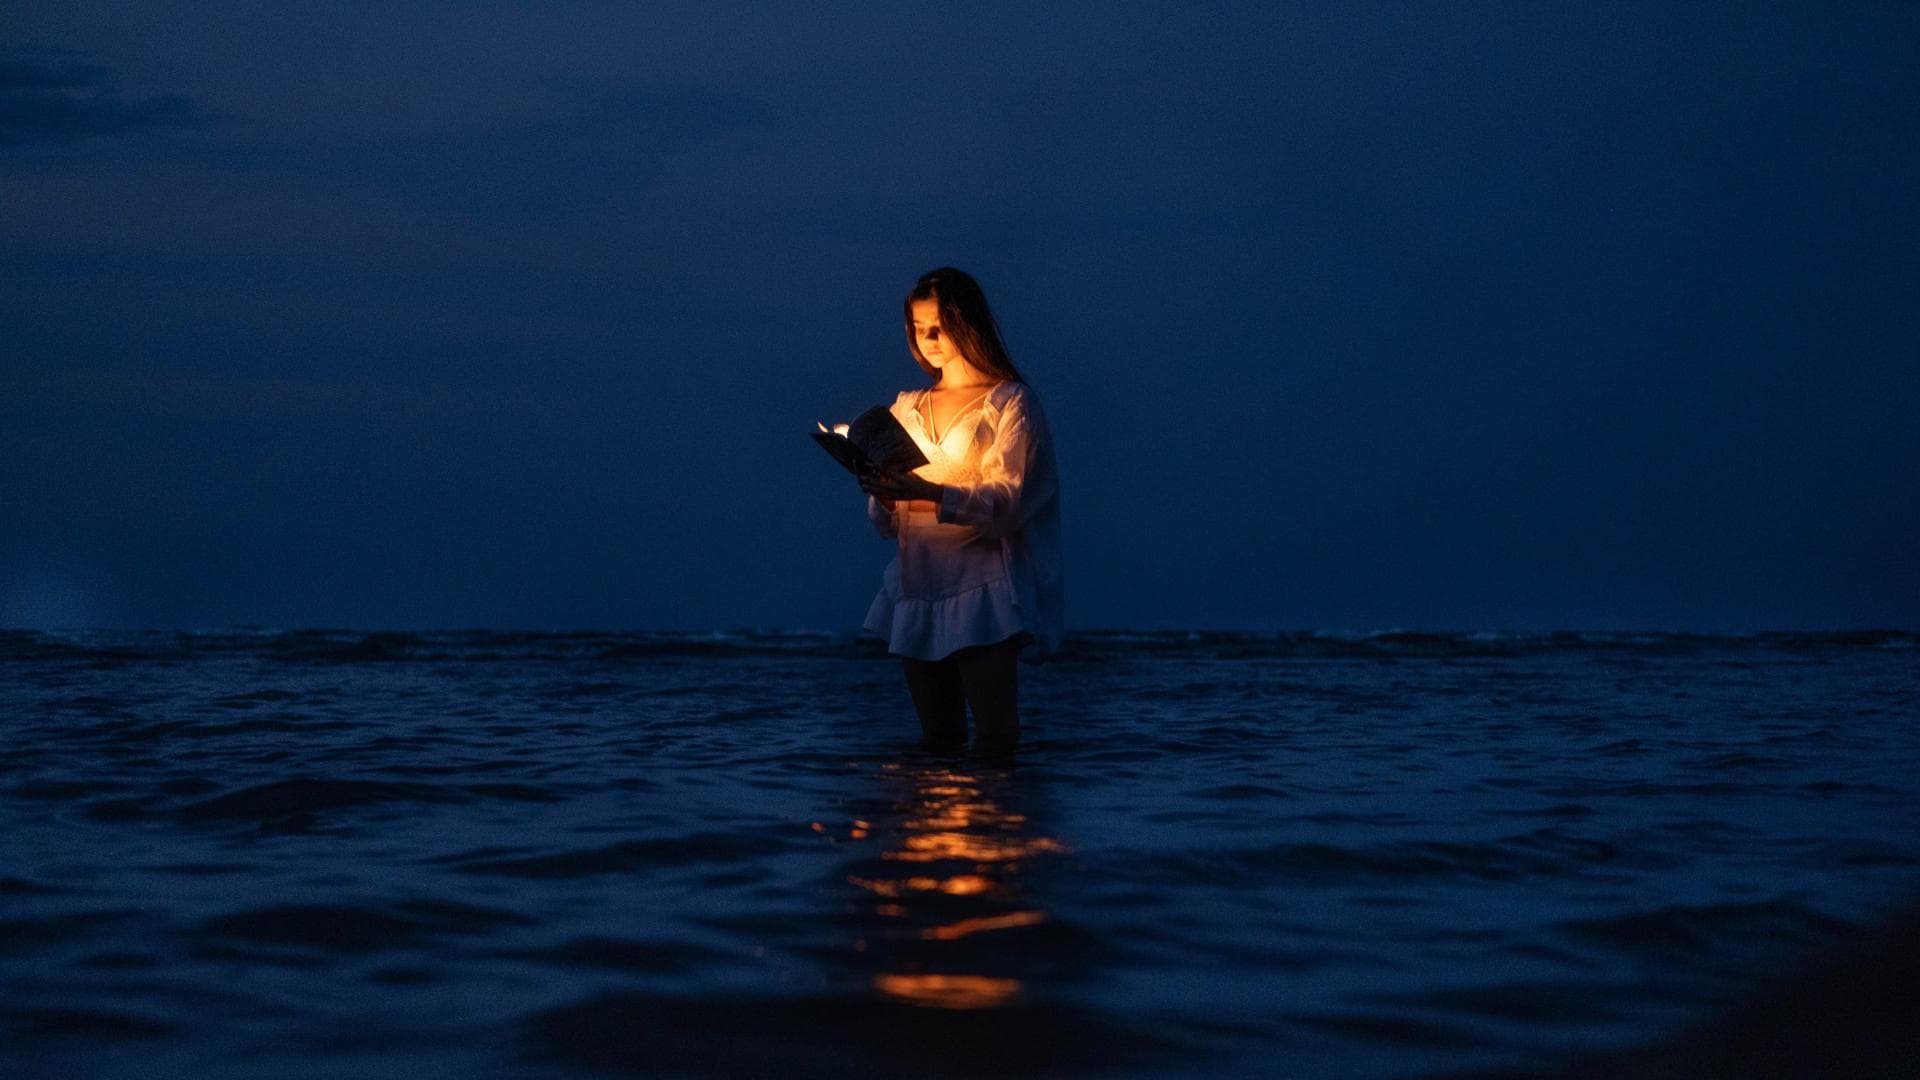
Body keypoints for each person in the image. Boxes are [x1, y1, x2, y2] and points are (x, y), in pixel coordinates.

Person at [857, 268, 1064, 763]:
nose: (927, 341)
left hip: (983, 589)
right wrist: (885, 495)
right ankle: (937, 835)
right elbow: (887, 526)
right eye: (916, 328)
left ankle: (999, 832)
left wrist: (929, 492)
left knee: (995, 742)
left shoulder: (1009, 402)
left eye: (937, 328)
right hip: (917, 586)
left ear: (965, 323)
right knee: (937, 745)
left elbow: (1009, 501)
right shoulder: (906, 408)